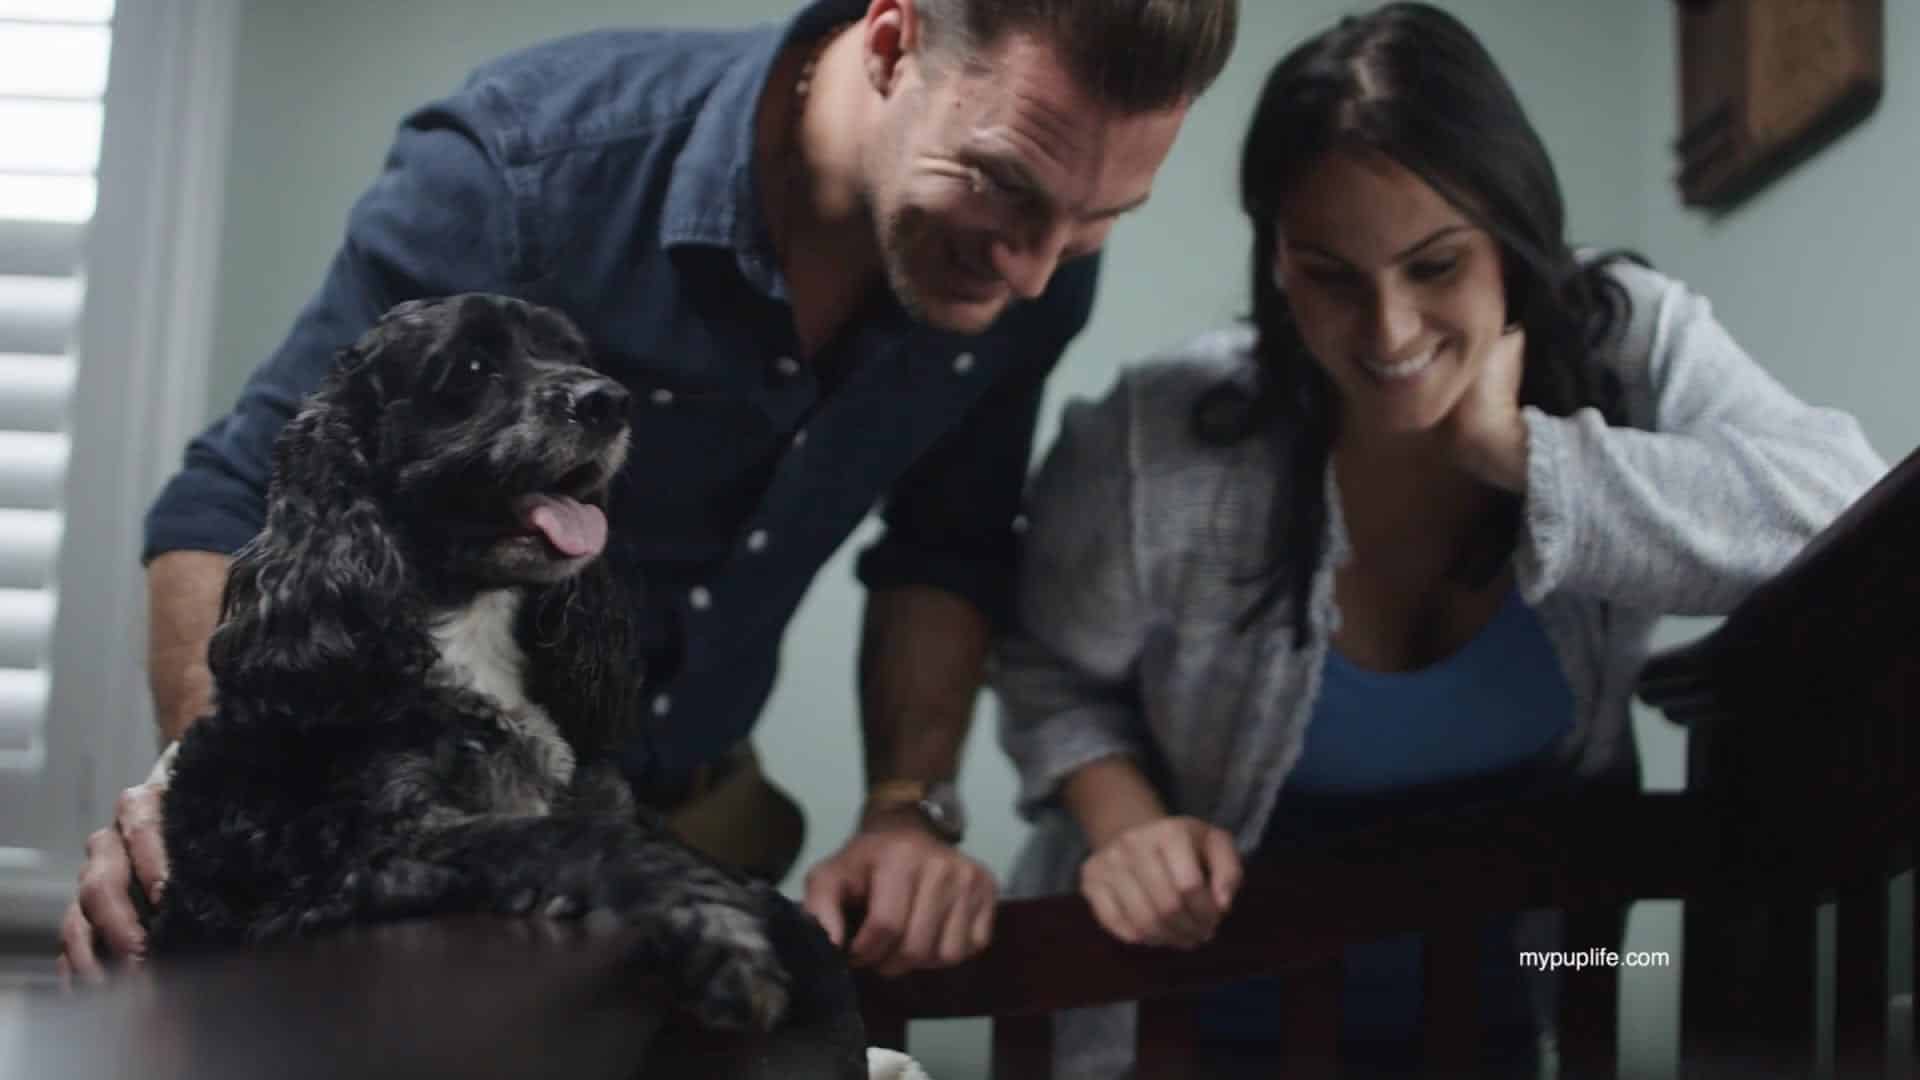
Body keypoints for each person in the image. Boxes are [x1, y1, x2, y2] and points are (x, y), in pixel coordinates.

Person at [57, 0, 1239, 983]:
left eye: (1096, 225)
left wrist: (905, 806)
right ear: (890, 43)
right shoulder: (528, 174)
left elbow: (945, 548)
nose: (1034, 268)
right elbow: (236, 500)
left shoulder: (1029, 265)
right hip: (416, 841)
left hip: (688, 826)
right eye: (1003, 187)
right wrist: (232, 806)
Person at [993, 4, 1886, 1076]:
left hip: (1509, 1018)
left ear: (1514, 240)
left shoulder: (1624, 341)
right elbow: (1049, 670)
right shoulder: (1160, 437)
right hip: (1183, 1031)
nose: (1389, 332)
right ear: (1277, 259)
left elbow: (1843, 512)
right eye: (1331, 274)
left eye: (1435, 266)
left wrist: (1521, 454)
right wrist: (1125, 824)